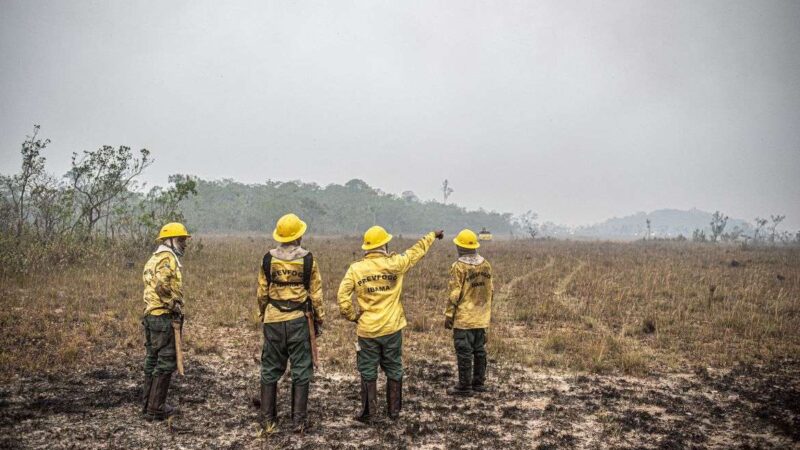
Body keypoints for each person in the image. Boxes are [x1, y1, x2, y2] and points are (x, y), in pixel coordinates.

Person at [338, 226, 444, 422]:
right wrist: (432, 235)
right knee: (394, 367)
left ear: (366, 248)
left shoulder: (356, 269)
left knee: (368, 370)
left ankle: (369, 413)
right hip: (392, 328)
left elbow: (342, 298)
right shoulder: (396, 263)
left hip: (367, 330)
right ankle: (394, 412)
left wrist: (353, 316)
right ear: (385, 244)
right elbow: (416, 251)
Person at [257, 213, 324, 432]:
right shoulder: (308, 259)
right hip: (299, 321)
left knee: (269, 369)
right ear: (299, 236)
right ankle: (299, 421)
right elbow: (316, 294)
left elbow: (262, 293)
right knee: (301, 369)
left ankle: (267, 420)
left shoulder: (268, 259)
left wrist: (263, 315)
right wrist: (319, 319)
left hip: (273, 320)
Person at [141, 222, 191, 420]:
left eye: (184, 240)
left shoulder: (153, 258)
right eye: (180, 240)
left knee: (152, 359)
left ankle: (148, 405)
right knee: (166, 361)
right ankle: (156, 408)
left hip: (151, 315)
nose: (184, 244)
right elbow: (162, 286)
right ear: (169, 241)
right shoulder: (167, 258)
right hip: (163, 316)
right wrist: (173, 305)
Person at [444, 229, 494, 396]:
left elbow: (454, 294)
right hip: (481, 318)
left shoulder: (458, 267)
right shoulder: (486, 264)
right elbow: (490, 291)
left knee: (464, 352)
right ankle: (478, 383)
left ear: (459, 247)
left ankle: (464, 387)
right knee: (479, 351)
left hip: (464, 319)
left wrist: (449, 315)